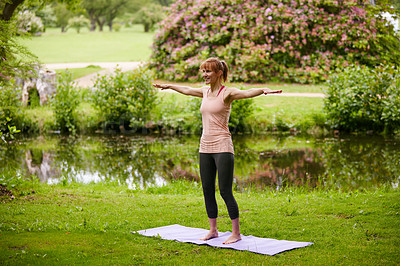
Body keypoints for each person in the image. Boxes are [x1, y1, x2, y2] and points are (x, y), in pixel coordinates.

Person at [153, 57, 282, 244]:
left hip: (222, 146)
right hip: (205, 146)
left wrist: (263, 90)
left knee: (224, 190)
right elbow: (188, 90)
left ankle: (236, 233)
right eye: (203, 71)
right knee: (207, 189)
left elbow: (246, 93)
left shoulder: (227, 93)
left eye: (208, 71)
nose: (204, 75)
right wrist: (170, 86)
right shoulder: (205, 92)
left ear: (219, 73)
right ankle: (213, 230)